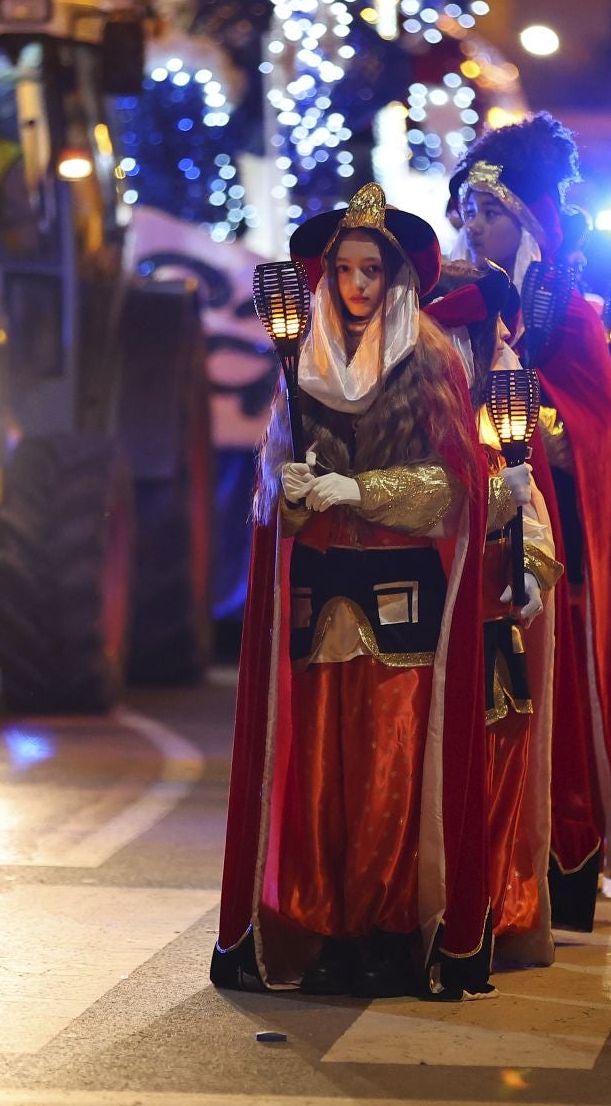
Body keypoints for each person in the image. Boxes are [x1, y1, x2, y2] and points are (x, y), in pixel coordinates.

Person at [212, 183, 492, 999]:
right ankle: (327, 928)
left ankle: (389, 931)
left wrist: (360, 492)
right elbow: (274, 504)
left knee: (391, 775)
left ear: (396, 274)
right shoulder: (299, 361)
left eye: (372, 269)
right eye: (345, 269)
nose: (358, 285)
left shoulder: (429, 354)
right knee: (318, 776)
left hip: (401, 593)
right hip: (318, 592)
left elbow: (453, 488)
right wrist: (293, 490)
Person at [460, 114, 611, 930]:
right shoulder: (461, 306)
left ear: (532, 224)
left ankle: (561, 856)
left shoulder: (569, 316)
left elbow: (589, 433)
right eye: (468, 211)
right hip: (477, 541)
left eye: (492, 212)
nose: (475, 226)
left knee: (554, 695)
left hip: (558, 550)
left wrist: (522, 425)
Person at [426, 255, 564, 970]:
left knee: (493, 771)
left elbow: (530, 515)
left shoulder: (498, 413)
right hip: (424, 623)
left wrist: (529, 570)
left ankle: (487, 908)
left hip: (487, 624)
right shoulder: (410, 404)